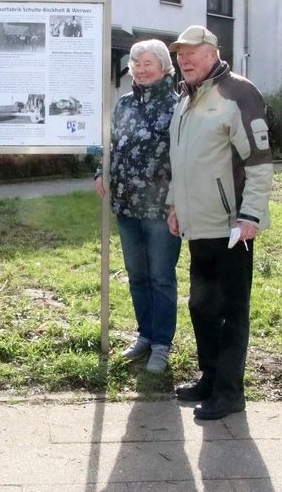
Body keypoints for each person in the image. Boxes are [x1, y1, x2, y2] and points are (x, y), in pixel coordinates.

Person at [166, 26, 273, 420]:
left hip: (232, 226)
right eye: (179, 55)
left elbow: (259, 164)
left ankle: (230, 393)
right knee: (201, 306)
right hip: (198, 224)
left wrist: (251, 215)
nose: (184, 60)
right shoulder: (187, 97)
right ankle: (210, 379)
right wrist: (174, 204)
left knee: (230, 310)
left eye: (192, 53)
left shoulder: (238, 92)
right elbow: (181, 161)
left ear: (212, 53)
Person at [95, 39, 181, 373]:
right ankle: (145, 335)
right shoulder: (124, 103)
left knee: (161, 277)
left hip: (162, 208)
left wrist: (178, 201)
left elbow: (184, 156)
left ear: (163, 66)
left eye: (147, 63)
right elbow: (111, 143)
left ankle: (162, 343)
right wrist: (101, 171)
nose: (141, 70)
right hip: (127, 204)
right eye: (136, 63)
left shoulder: (178, 105)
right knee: (136, 275)